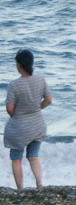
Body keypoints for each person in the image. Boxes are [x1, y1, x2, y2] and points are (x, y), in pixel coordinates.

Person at [4, 49, 52, 190]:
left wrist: (17, 115)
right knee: (33, 156)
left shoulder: (14, 85)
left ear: (18, 65)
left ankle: (20, 189)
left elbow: (9, 108)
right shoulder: (40, 80)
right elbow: (48, 99)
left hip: (20, 128)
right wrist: (37, 108)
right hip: (38, 125)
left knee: (16, 159)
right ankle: (39, 184)